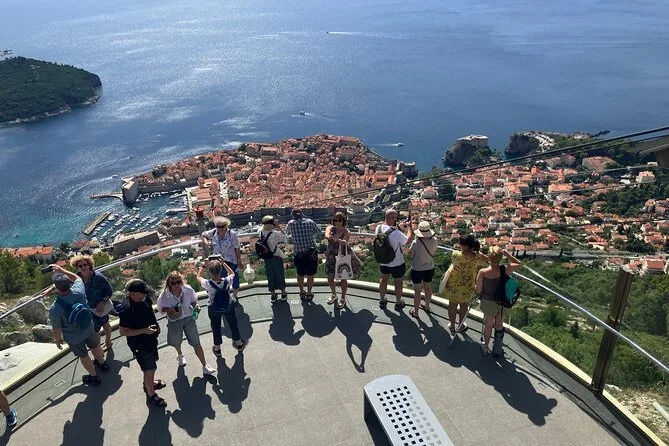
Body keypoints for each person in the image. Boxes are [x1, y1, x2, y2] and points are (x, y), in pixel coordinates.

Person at [48, 265, 108, 386]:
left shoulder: (55, 308)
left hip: (74, 337)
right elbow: (77, 278)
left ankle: (94, 376)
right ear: (68, 284)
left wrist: (57, 340)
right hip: (89, 327)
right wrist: (61, 269)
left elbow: (57, 328)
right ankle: (103, 363)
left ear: (56, 288)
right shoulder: (79, 290)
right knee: (95, 346)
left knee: (83, 355)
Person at [118, 279, 167, 407]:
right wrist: (144, 330)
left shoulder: (144, 299)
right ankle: (151, 393)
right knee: (149, 368)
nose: (145, 294)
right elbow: (123, 331)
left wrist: (155, 326)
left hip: (150, 340)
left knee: (151, 366)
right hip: (139, 345)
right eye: (142, 293)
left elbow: (150, 313)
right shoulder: (126, 309)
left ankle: (149, 383)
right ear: (133, 294)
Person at [156, 271, 216, 375]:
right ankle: (179, 354)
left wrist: (196, 309)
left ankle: (205, 366)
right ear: (169, 283)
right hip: (175, 320)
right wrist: (170, 310)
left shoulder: (188, 289)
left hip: (189, 318)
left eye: (178, 282)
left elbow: (194, 301)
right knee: (176, 341)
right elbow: (161, 309)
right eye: (173, 283)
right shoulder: (164, 295)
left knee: (196, 342)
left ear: (182, 281)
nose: (176, 285)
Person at [476, 247, 522, 356]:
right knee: (499, 324)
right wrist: (508, 255)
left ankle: (485, 347)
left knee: (488, 324)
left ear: (489, 257)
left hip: (488, 302)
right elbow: (519, 264)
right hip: (502, 302)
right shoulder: (505, 269)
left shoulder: (483, 272)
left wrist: (477, 290)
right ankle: (497, 348)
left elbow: (478, 290)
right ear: (500, 258)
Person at [441, 235, 487, 335]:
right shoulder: (478, 256)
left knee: (452, 306)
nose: (459, 244)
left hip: (454, 284)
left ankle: (452, 326)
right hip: (468, 285)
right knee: (464, 306)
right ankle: (460, 325)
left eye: (460, 243)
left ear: (465, 245)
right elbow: (488, 260)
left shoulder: (456, 254)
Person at [197, 260, 246, 354]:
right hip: (228, 305)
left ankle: (217, 349)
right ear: (220, 270)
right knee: (233, 325)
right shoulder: (227, 281)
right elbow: (232, 273)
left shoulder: (207, 283)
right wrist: (223, 263)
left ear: (209, 272)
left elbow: (198, 277)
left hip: (213, 307)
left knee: (216, 328)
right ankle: (239, 344)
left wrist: (204, 266)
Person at [70, 254, 114, 351]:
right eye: (80, 266)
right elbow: (65, 282)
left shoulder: (98, 277)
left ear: (89, 265)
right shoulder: (78, 278)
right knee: (94, 330)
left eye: (85, 265)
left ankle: (107, 342)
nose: (83, 267)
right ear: (77, 267)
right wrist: (52, 289)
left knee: (105, 324)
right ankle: (99, 349)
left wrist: (102, 302)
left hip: (99, 307)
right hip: (87, 308)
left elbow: (109, 291)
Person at [376, 209, 413, 311]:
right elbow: (408, 240)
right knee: (398, 282)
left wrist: (397, 227)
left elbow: (388, 233)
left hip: (383, 260)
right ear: (391, 218)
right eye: (394, 218)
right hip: (396, 262)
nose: (395, 219)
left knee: (383, 280)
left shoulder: (378, 228)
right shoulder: (396, 233)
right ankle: (398, 303)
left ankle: (382, 300)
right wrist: (409, 228)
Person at [201, 216, 243, 299]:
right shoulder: (213, 232)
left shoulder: (232, 234)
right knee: (221, 280)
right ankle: (225, 296)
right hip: (218, 260)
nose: (220, 229)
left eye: (222, 226)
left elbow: (237, 248)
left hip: (231, 260)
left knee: (234, 279)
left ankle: (235, 295)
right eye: (218, 226)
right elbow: (203, 235)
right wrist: (206, 242)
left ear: (226, 225)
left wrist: (239, 260)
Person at [285, 208, 321, 301]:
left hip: (298, 253)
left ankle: (301, 291)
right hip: (311, 253)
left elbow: (287, 233)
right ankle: (309, 293)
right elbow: (318, 231)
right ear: (302, 214)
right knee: (310, 274)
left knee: (300, 274)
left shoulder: (290, 223)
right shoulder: (310, 222)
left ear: (293, 215)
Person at [408, 221, 438, 318]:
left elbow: (411, 254)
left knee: (417, 291)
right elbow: (434, 252)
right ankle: (427, 306)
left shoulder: (415, 243)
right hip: (429, 268)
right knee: (428, 287)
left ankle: (416, 312)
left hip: (417, 269)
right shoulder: (434, 241)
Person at [324, 212, 354, 309]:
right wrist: (333, 236)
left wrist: (339, 240)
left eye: (339, 220)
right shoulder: (330, 228)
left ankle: (343, 298)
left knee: (343, 278)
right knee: (330, 277)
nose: (337, 222)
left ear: (343, 221)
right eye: (335, 220)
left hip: (341, 256)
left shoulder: (345, 231)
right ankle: (334, 294)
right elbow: (326, 235)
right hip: (330, 255)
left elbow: (345, 241)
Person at [258, 215, 288, 302]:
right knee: (279, 274)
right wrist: (280, 228)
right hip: (276, 256)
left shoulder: (260, 232)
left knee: (270, 275)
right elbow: (285, 238)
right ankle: (283, 293)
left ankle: (273, 295)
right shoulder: (274, 234)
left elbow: (262, 227)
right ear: (271, 224)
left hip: (266, 257)